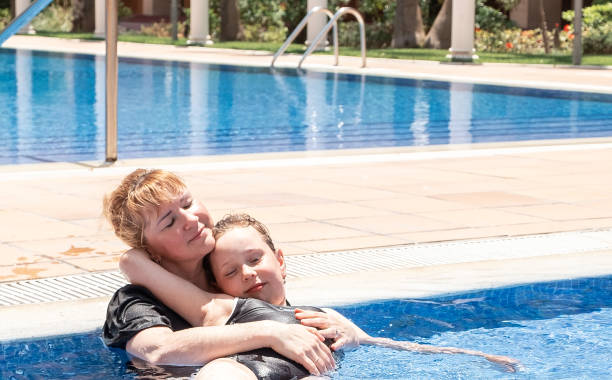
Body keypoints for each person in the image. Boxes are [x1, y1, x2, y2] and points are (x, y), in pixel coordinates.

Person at [120, 210, 522, 376]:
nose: (247, 273)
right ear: (217, 284)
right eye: (229, 271)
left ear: (280, 259)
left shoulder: (324, 317)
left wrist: (476, 356)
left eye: (256, 259)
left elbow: (387, 345)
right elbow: (145, 277)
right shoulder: (227, 309)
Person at [102, 169, 337, 379]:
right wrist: (268, 332)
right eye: (170, 222)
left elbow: (281, 311)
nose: (190, 220)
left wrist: (344, 330)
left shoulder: (228, 271)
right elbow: (158, 350)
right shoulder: (134, 302)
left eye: (187, 204)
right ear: (149, 250)